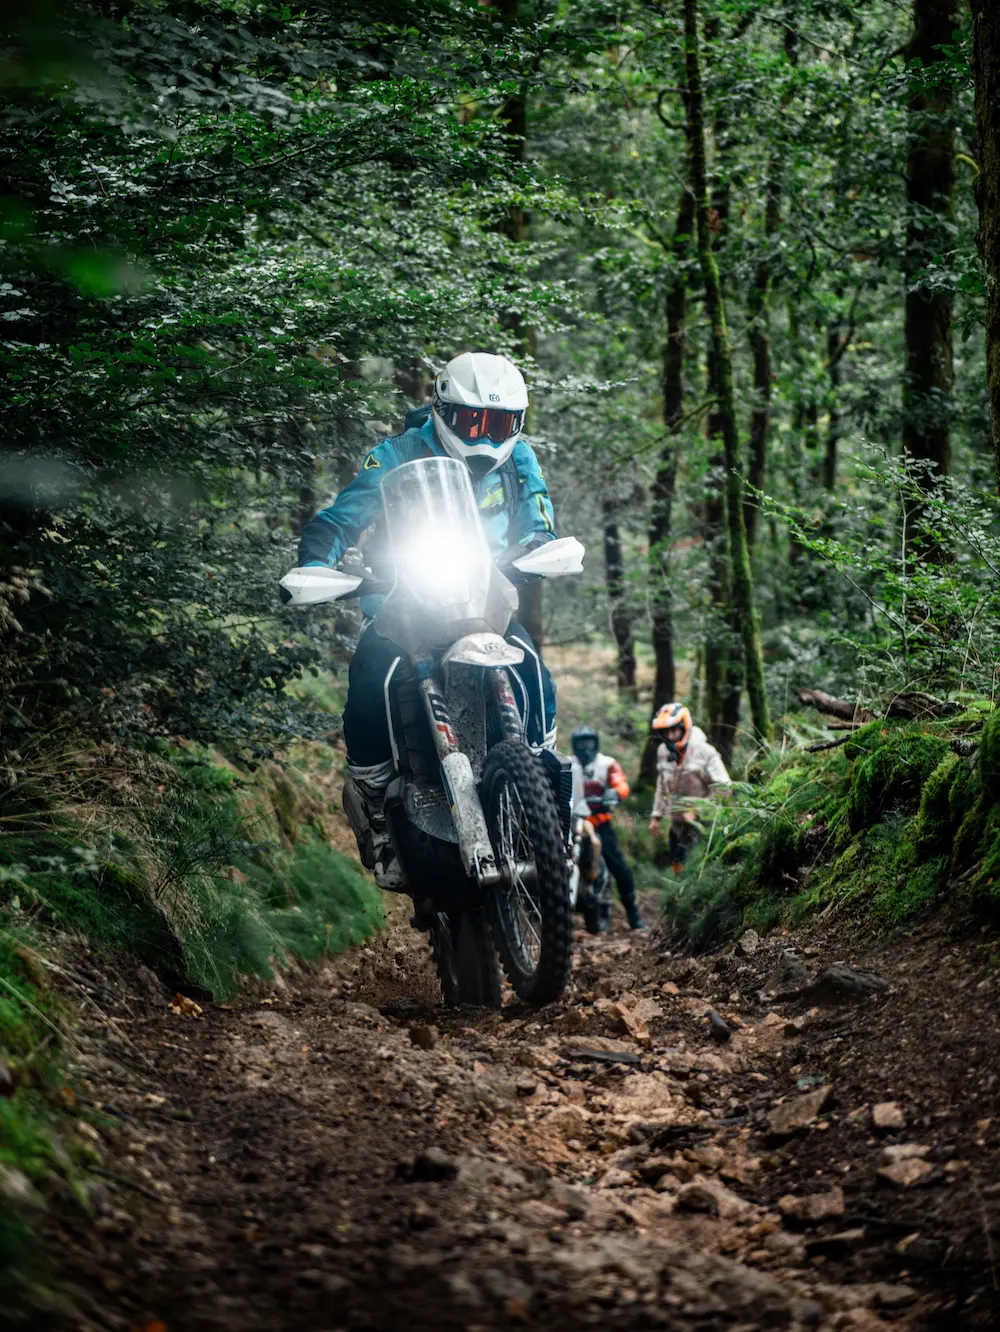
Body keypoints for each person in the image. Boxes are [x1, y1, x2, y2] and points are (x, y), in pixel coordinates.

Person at [295, 351, 558, 889]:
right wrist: (317, 560)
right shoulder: (395, 454)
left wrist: (539, 545)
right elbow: (341, 518)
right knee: (371, 679)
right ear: (442, 410)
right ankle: (376, 814)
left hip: (484, 600)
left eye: (500, 424)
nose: (486, 436)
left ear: (517, 423)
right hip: (406, 604)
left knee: (533, 668)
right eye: (473, 421)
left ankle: (544, 789)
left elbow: (538, 515)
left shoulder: (519, 460)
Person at [569, 725, 645, 930]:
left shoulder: (607, 764)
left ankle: (634, 917)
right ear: (574, 746)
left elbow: (621, 783)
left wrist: (615, 793)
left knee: (620, 868)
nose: (585, 749)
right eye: (581, 744)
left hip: (600, 823)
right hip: (574, 825)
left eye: (589, 743)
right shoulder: (567, 765)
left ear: (596, 744)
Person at [648, 703, 731, 872]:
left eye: (674, 730)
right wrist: (656, 816)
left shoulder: (705, 752)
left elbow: (724, 787)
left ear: (684, 727)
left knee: (702, 870)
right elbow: (662, 783)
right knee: (679, 867)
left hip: (705, 827)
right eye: (665, 732)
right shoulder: (663, 752)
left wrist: (697, 810)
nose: (670, 736)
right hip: (677, 825)